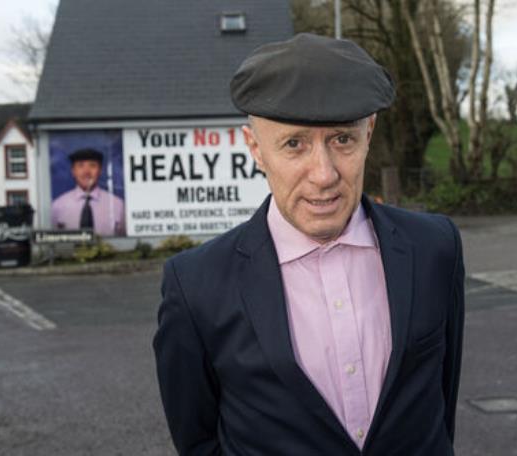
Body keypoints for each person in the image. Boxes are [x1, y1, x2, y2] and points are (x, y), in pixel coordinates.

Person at [153, 33, 464, 455]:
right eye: (294, 144)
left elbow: (441, 406)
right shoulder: (195, 285)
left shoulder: (435, 248)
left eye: (342, 140)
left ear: (368, 134)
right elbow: (198, 441)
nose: (323, 174)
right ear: (256, 149)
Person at [51, 148, 125, 236]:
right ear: (73, 171)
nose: (86, 172)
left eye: (92, 166)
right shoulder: (57, 206)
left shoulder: (118, 205)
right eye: (80, 166)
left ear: (100, 170)